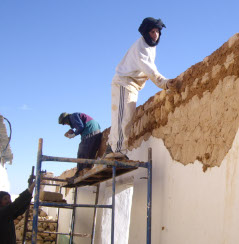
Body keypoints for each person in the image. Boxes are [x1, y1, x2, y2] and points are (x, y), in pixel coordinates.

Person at [106, 17, 180, 159]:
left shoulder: (150, 47)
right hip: (124, 82)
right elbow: (150, 69)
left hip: (132, 86)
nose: (155, 34)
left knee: (124, 117)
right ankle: (117, 151)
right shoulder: (141, 46)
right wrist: (164, 83)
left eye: (157, 31)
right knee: (123, 118)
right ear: (146, 32)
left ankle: (112, 148)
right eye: (152, 31)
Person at [58, 112, 102, 176]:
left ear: (66, 119)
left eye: (65, 123)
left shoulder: (72, 116)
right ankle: (86, 170)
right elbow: (80, 127)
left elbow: (80, 126)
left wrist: (74, 134)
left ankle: (79, 173)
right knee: (90, 154)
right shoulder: (76, 116)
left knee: (81, 152)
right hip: (96, 132)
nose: (66, 124)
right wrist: (74, 132)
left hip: (90, 131)